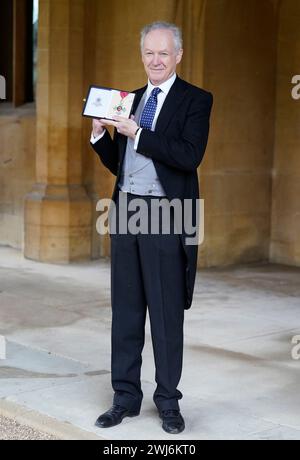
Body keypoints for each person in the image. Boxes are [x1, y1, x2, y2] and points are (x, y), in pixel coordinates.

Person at [90, 21, 213, 434]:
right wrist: (100, 139)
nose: (155, 60)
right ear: (142, 55)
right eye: (149, 53)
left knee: (164, 313)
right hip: (126, 211)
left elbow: (187, 155)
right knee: (125, 311)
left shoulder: (196, 100)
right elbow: (122, 164)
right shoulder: (131, 99)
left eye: (163, 53)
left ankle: (168, 402)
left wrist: (139, 134)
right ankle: (124, 397)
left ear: (178, 55)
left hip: (166, 214)